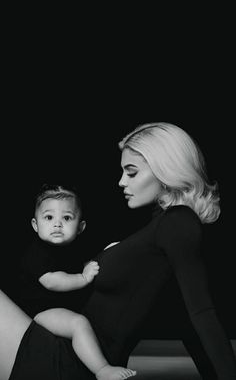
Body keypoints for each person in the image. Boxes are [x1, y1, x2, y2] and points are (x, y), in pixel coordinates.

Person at [1, 122, 236, 380]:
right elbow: (185, 319)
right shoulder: (162, 228)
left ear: (165, 170)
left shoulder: (178, 223)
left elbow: (201, 313)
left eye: (132, 173)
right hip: (68, 352)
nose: (121, 181)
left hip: (69, 363)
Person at [17, 183, 136, 380]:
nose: (57, 224)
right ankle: (102, 369)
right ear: (35, 225)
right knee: (78, 324)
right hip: (38, 312)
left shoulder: (75, 248)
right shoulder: (36, 253)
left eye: (66, 218)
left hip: (61, 307)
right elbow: (52, 281)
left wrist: (114, 251)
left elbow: (95, 258)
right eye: (48, 217)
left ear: (80, 227)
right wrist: (83, 277)